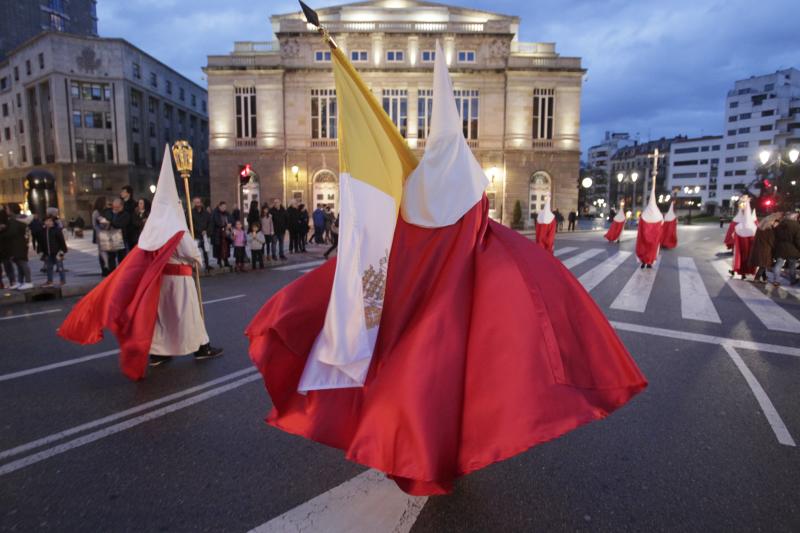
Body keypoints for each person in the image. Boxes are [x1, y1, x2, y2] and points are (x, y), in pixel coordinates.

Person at [245, 42, 646, 496]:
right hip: (456, 301)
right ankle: (431, 458)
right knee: (452, 386)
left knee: (409, 383)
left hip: (412, 297)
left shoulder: (415, 187)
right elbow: (479, 236)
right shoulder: (469, 184)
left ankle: (413, 456)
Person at [60, 147, 222, 378]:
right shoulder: (178, 230)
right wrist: (197, 258)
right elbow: (192, 255)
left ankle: (159, 353)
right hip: (182, 281)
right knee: (187, 316)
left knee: (162, 319)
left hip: (160, 281)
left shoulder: (152, 228)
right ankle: (201, 347)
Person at [6, 204, 33, 290]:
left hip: (19, 243)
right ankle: (20, 281)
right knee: (18, 263)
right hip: (18, 243)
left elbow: (12, 233)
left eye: (7, 208)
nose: (6, 211)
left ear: (11, 210)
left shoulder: (16, 220)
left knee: (22, 262)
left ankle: (28, 281)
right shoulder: (18, 219)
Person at [749, 212, 781, 284]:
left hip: (759, 248)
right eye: (774, 221)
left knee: (763, 264)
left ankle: (764, 277)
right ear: (771, 222)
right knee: (764, 265)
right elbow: (771, 241)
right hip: (766, 250)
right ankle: (757, 278)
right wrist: (775, 248)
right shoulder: (769, 230)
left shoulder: (760, 228)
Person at [37, 215, 67, 287]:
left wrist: (63, 250)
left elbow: (61, 241)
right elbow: (41, 242)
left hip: (57, 252)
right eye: (47, 221)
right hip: (48, 253)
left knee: (60, 267)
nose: (49, 222)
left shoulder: (57, 230)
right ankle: (49, 281)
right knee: (49, 268)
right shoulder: (43, 231)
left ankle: (62, 281)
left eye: (50, 221)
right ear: (44, 222)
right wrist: (41, 251)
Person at [772, 211, 800, 286]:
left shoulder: (780, 225)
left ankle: (776, 280)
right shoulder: (796, 225)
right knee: (792, 266)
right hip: (792, 249)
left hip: (780, 248)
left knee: (778, 264)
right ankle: (792, 280)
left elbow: (775, 237)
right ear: (794, 217)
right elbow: (797, 239)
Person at [107, 198, 129, 272]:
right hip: (110, 237)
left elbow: (120, 224)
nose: (115, 208)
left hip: (120, 238)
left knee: (121, 257)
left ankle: (121, 272)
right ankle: (111, 273)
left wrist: (110, 222)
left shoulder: (125, 214)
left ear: (121, 206)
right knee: (111, 257)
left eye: (117, 207)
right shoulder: (110, 213)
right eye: (114, 207)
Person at [191, 197, 212, 271]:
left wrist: (206, 231)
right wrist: (200, 231)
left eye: (198, 202)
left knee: (206, 250)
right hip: (196, 235)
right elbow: (191, 224)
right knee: (195, 251)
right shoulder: (191, 213)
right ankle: (194, 266)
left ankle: (207, 265)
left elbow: (210, 222)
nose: (198, 204)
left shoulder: (206, 213)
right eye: (196, 202)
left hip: (205, 235)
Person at [91, 196, 111, 276]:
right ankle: (105, 269)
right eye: (106, 201)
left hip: (107, 234)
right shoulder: (96, 212)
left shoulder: (106, 211)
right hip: (100, 234)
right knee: (102, 252)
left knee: (107, 252)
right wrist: (100, 232)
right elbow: (94, 225)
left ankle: (108, 267)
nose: (107, 203)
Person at [212, 201, 232, 268]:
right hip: (218, 233)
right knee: (219, 248)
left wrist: (230, 224)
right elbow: (216, 222)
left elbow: (231, 219)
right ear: (219, 206)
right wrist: (225, 225)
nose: (224, 208)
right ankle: (219, 261)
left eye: (225, 207)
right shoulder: (215, 213)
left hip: (226, 233)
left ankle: (226, 261)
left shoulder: (227, 213)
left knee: (226, 248)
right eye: (223, 207)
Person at [120, 185, 136, 250]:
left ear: (128, 193)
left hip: (130, 232)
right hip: (121, 232)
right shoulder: (120, 203)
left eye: (123, 192)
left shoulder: (133, 204)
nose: (121, 193)